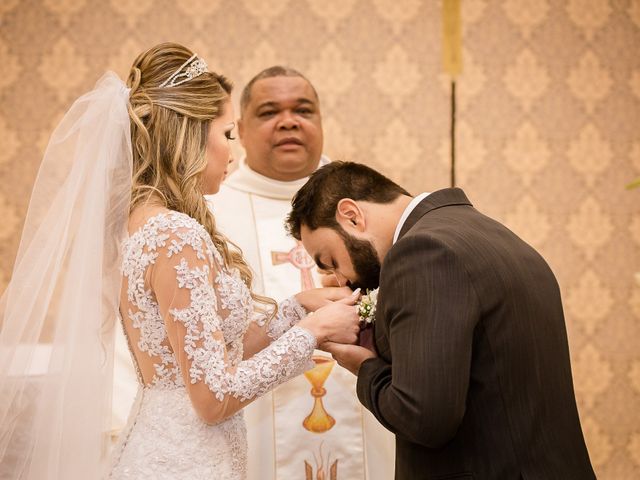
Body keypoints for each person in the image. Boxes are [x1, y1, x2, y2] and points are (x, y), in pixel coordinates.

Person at [0, 43, 361, 480]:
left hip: (175, 450)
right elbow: (212, 399)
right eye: (227, 135)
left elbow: (211, 354)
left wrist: (295, 310)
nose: (232, 152)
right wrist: (311, 333)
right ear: (189, 134)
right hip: (186, 463)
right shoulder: (176, 235)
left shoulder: (144, 223)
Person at [286, 161, 596, 480]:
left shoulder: (423, 252)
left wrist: (365, 368)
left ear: (351, 215)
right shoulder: (494, 236)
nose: (340, 279)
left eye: (332, 262)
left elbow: (423, 417)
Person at [206, 67, 394, 480]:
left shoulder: (367, 203)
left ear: (321, 121)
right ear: (239, 128)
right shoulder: (211, 215)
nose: (288, 121)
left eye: (303, 110)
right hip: (255, 429)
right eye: (269, 111)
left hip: (366, 410)